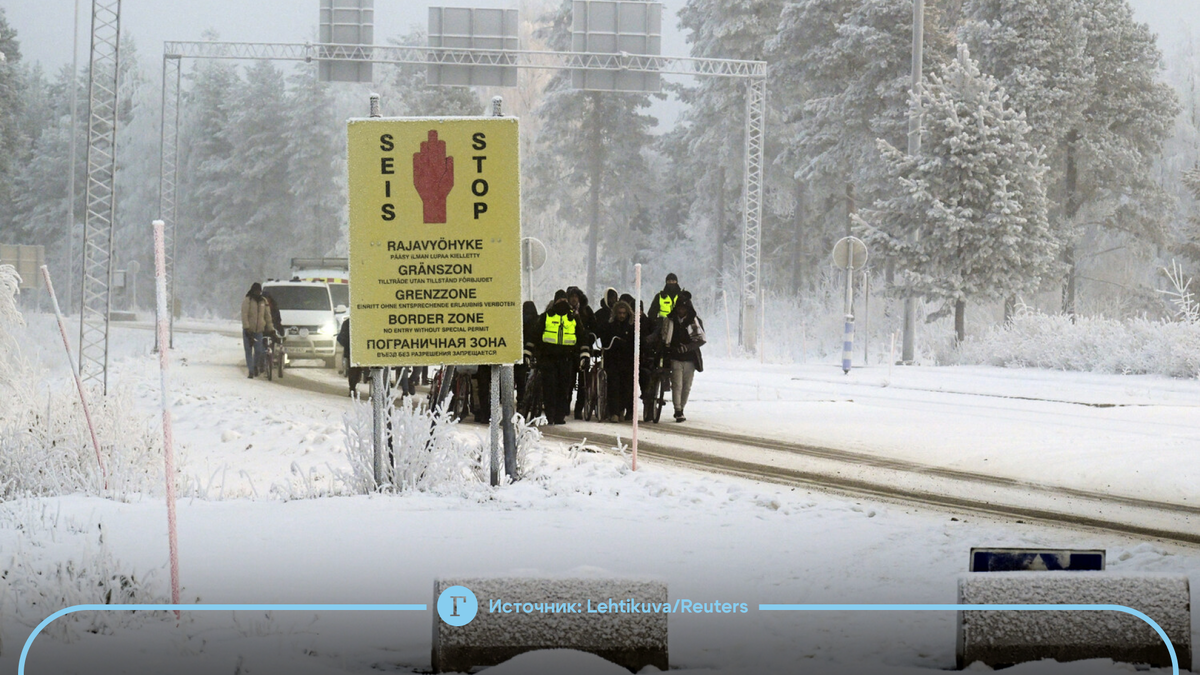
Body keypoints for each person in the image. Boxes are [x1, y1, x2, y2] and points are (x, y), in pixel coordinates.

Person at [534, 292, 579, 425]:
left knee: (563, 388)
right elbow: (536, 334)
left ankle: (559, 416)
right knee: (550, 387)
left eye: (565, 299)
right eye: (560, 300)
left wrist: (582, 353)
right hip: (549, 359)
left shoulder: (573, 318)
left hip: (566, 359)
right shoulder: (546, 316)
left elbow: (581, 335)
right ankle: (551, 415)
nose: (562, 302)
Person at [666, 290, 705, 422]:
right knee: (677, 384)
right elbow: (663, 336)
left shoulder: (694, 321)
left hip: (690, 359)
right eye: (679, 308)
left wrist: (687, 347)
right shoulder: (670, 320)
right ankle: (678, 410)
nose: (681, 310)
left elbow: (701, 339)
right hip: (675, 357)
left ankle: (681, 408)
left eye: (683, 308)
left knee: (686, 386)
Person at [598, 299, 636, 422]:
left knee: (626, 387)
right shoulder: (610, 326)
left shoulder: (631, 327)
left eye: (624, 313)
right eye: (619, 313)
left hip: (627, 361)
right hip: (613, 360)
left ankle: (621, 409)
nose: (621, 316)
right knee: (613, 385)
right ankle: (614, 412)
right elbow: (605, 340)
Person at [566, 286, 594, 420]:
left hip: (583, 350)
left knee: (583, 382)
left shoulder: (586, 311)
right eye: (572, 296)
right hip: (569, 350)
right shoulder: (564, 311)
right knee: (569, 381)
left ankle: (579, 409)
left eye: (576, 296)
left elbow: (595, 326)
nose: (574, 299)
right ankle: (566, 406)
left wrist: (590, 337)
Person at [241, 283, 271, 378]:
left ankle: (254, 366)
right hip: (248, 331)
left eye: (259, 291)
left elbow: (267, 316)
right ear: (253, 290)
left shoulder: (263, 301)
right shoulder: (248, 300)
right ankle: (251, 371)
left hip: (259, 331)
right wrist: (246, 327)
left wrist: (271, 328)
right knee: (248, 351)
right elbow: (244, 314)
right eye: (256, 290)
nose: (258, 292)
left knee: (259, 351)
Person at [337, 317, 363, 397]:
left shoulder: (348, 322)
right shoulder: (348, 323)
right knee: (354, 370)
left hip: (356, 350)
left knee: (354, 370)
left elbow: (340, 338)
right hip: (353, 351)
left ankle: (352, 388)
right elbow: (341, 338)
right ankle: (352, 388)